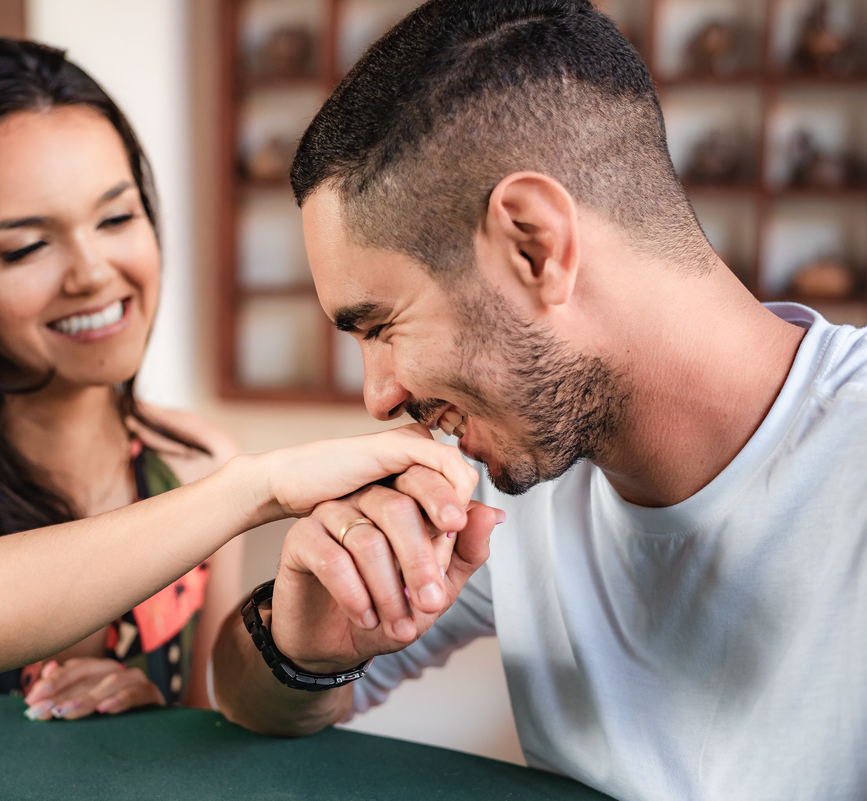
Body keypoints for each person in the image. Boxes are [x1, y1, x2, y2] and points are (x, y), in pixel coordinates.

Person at [211, 1, 867, 799]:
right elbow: (251, 702)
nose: (378, 395)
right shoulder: (511, 471)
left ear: (534, 246)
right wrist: (302, 649)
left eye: (381, 325)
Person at [0, 38, 486, 722]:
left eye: (118, 217)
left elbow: (197, 740)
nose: (94, 271)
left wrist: (146, 713)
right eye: (26, 245)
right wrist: (257, 487)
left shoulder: (191, 463)